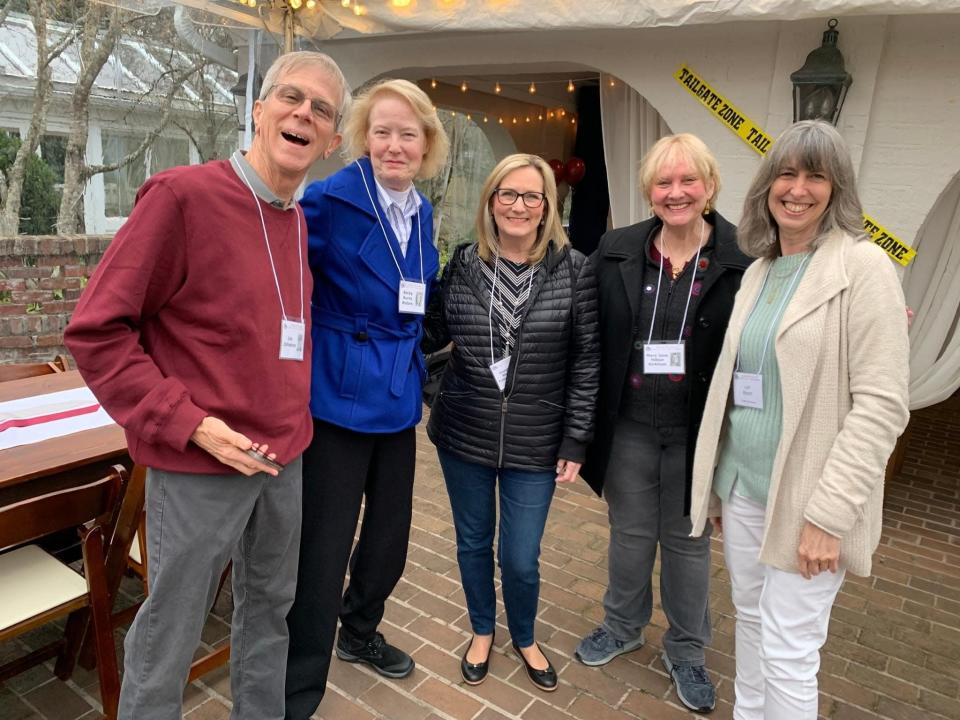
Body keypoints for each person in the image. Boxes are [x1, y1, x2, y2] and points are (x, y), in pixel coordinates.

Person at [64, 51, 348, 720]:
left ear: (332, 140)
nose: (304, 113)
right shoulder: (182, 196)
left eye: (323, 110)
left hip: (285, 457)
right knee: (171, 631)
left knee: (268, 615)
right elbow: (96, 332)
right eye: (291, 97)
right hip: (200, 463)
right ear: (259, 109)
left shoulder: (296, 217)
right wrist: (189, 423)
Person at [689, 120, 910, 719]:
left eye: (816, 175)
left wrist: (829, 516)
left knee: (790, 651)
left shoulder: (864, 269)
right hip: (745, 493)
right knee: (754, 626)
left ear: (838, 189)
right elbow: (738, 390)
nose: (798, 188)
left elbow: (882, 405)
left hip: (809, 502)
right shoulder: (760, 269)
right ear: (767, 185)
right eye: (786, 173)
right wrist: (717, 484)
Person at [284, 78, 449, 719]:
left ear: (426, 142)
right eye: (381, 131)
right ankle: (298, 689)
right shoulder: (328, 199)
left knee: (389, 537)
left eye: (407, 133)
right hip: (338, 393)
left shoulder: (424, 210)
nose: (393, 144)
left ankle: (359, 629)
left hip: (398, 391)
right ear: (362, 137)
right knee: (323, 548)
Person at [576, 133, 751, 714]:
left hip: (698, 432)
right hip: (627, 424)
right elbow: (582, 318)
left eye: (687, 181)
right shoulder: (619, 247)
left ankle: (687, 650)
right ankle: (622, 625)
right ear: (648, 190)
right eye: (662, 182)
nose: (675, 193)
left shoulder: (743, 256)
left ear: (709, 186)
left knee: (688, 542)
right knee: (628, 533)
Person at [425, 154, 599, 692]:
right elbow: (429, 333)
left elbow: (587, 359)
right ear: (491, 201)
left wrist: (576, 436)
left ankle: (523, 635)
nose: (519, 206)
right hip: (464, 434)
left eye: (532, 196)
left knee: (520, 556)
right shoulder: (462, 263)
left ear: (548, 205)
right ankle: (482, 630)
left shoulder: (575, 270)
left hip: (536, 442)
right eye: (508, 194)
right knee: (473, 543)